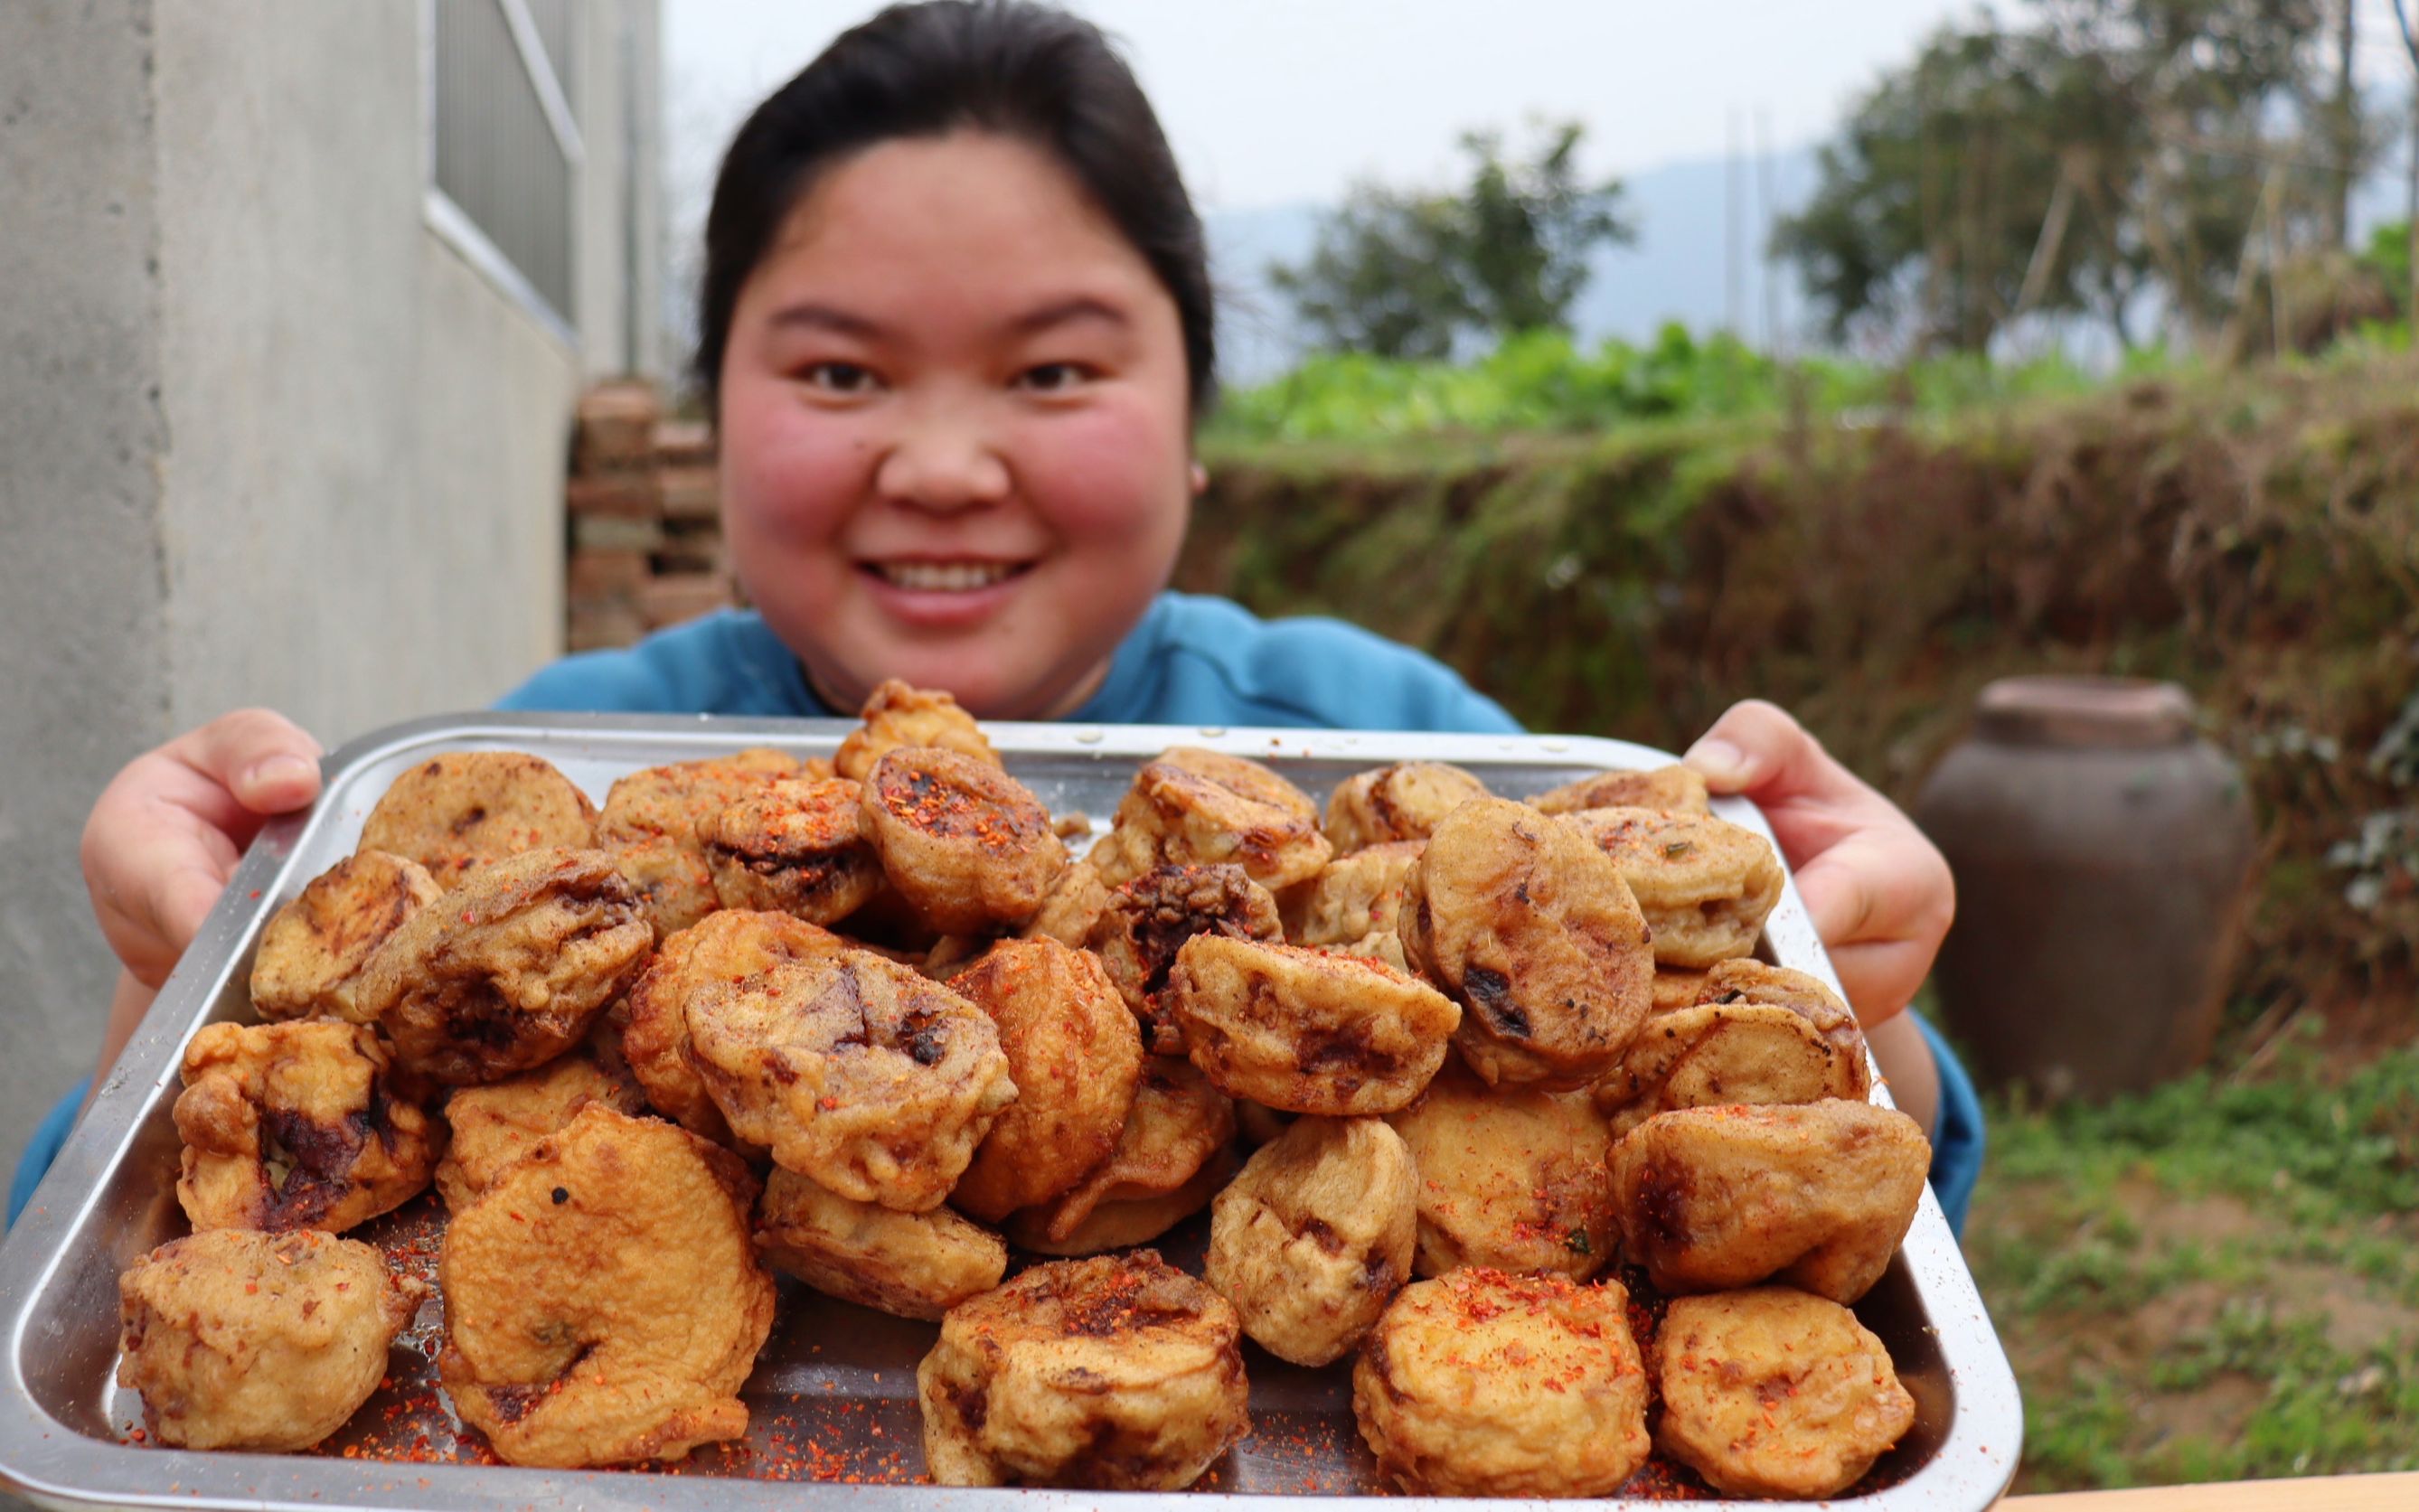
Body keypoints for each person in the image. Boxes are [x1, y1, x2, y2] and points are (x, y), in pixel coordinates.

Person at [43, 0, 1980, 1234]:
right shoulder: (570, 770)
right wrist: (179, 972)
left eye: (1053, 375)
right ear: (715, 409)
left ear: (1197, 428)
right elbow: (86, 1253)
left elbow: (1890, 1181)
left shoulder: (1400, 753)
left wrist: (1850, 990)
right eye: (841, 374)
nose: (947, 462)